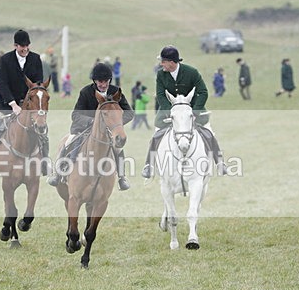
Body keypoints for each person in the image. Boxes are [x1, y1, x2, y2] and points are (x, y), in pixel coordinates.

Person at [140, 46, 228, 179]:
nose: (161, 64)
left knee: (209, 133)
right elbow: (160, 94)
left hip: (192, 109)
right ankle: (149, 165)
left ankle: (219, 162)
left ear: (171, 62)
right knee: (156, 135)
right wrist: (168, 111)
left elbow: (203, 92)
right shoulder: (161, 74)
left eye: (163, 61)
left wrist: (196, 111)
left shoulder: (191, 72)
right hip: (169, 111)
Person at [47, 63, 133, 190]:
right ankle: (59, 173)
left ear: (110, 80)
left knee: (118, 147)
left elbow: (129, 113)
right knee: (68, 142)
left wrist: (115, 125)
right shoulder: (86, 92)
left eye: (106, 81)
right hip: (83, 129)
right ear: (95, 81)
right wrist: (92, 122)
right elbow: (75, 115)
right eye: (100, 82)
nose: (103, 85)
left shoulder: (116, 92)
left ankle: (122, 177)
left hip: (107, 132)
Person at [0, 30, 48, 175]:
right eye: (22, 46)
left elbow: (38, 83)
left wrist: (29, 105)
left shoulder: (36, 58)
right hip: (4, 103)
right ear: (15, 45)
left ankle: (45, 162)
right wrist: (13, 104)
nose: (25, 49)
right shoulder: (6, 60)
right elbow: (2, 84)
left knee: (43, 129)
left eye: (27, 46)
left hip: (28, 105)